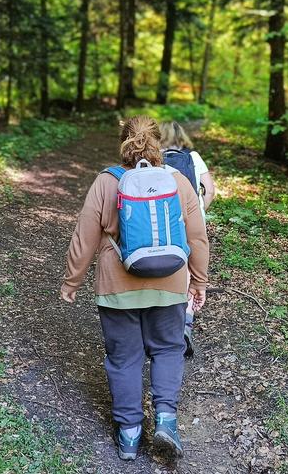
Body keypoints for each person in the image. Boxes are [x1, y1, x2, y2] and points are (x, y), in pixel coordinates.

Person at [60, 115, 209, 462]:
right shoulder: (176, 180)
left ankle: (128, 435)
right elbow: (197, 237)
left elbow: (84, 237)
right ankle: (167, 421)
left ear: (122, 142)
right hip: (170, 282)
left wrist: (72, 281)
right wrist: (199, 281)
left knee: (124, 358)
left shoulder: (106, 182)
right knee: (168, 350)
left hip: (117, 286)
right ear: (159, 144)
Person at [160, 121, 215, 357]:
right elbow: (210, 190)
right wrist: (198, 212)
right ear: (182, 136)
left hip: (164, 222)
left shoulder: (155, 157)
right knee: (191, 272)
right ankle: (185, 325)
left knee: (166, 266)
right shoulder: (193, 156)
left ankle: (161, 321)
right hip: (191, 221)